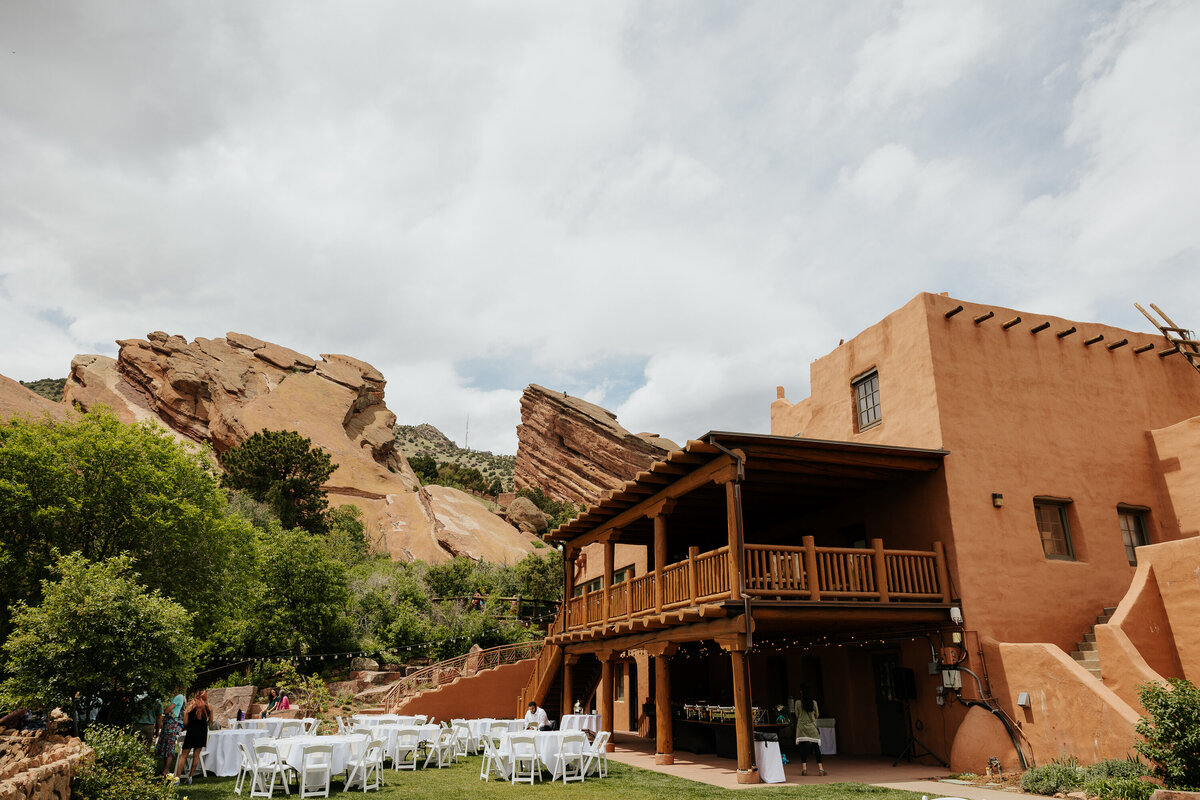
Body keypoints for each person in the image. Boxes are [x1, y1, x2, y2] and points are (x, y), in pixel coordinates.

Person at [175, 690, 212, 785]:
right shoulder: (209, 707)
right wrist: (204, 725)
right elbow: (211, 721)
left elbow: (185, 723)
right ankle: (190, 777)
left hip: (191, 732)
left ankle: (177, 778)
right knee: (196, 755)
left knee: (184, 755)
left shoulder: (190, 706)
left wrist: (190, 725)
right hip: (202, 732)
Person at [793, 687, 825, 776]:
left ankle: (804, 769)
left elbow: (797, 715)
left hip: (801, 727)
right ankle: (821, 769)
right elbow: (817, 715)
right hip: (812, 726)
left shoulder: (797, 703)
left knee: (803, 748)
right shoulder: (814, 702)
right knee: (816, 748)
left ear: (801, 692)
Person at [155, 688, 186, 775]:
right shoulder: (175, 698)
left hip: (171, 724)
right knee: (166, 746)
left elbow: (167, 710)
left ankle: (166, 770)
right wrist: (168, 710)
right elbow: (167, 709)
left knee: (169, 746)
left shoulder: (179, 697)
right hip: (168, 723)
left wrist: (168, 710)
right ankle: (165, 769)